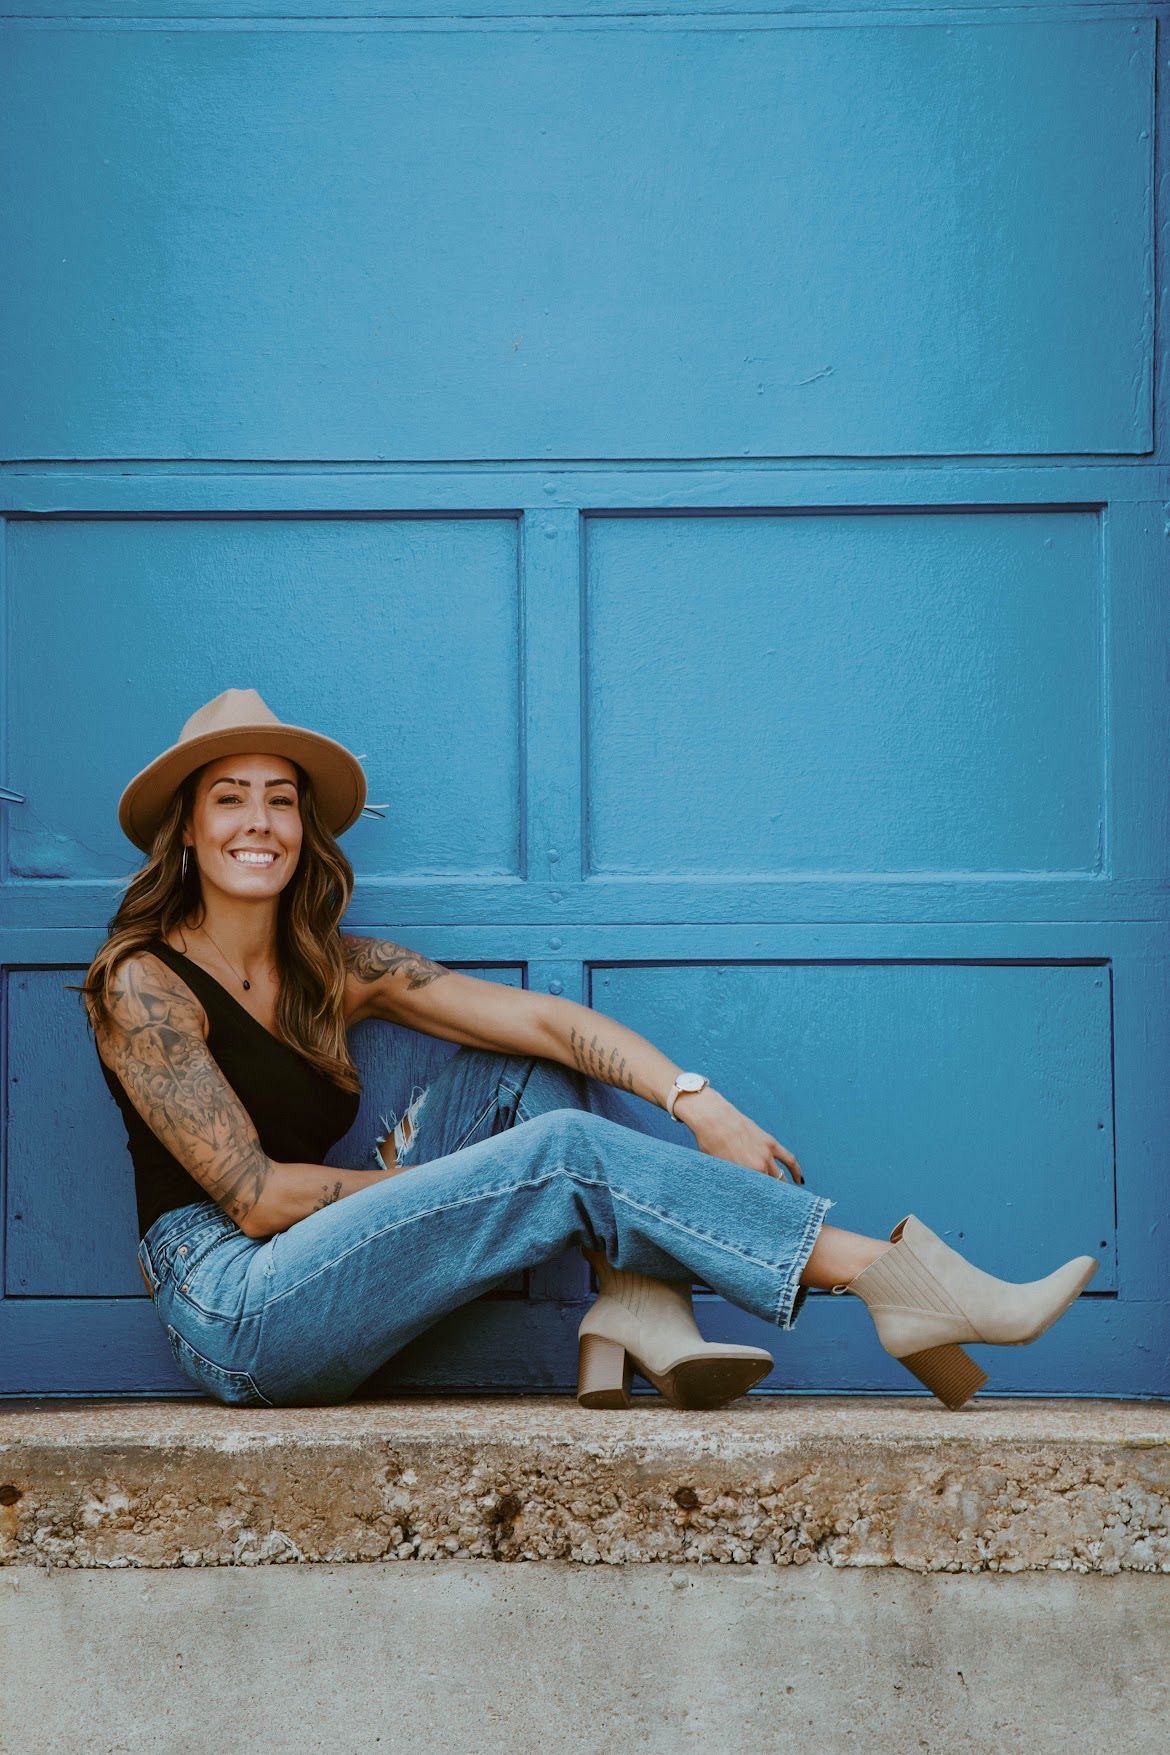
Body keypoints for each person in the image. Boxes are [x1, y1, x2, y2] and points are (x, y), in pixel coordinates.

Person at [77, 687, 1098, 1414]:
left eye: (280, 798)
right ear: (186, 832)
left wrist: (696, 1099)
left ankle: (639, 1308)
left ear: (305, 829)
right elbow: (252, 1201)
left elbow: (552, 1025)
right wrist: (454, 1184)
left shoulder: (338, 969)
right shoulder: (143, 982)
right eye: (229, 797)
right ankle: (886, 1277)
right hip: (235, 1309)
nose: (259, 820)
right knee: (557, 1154)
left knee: (535, 1081)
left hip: (321, 1263)